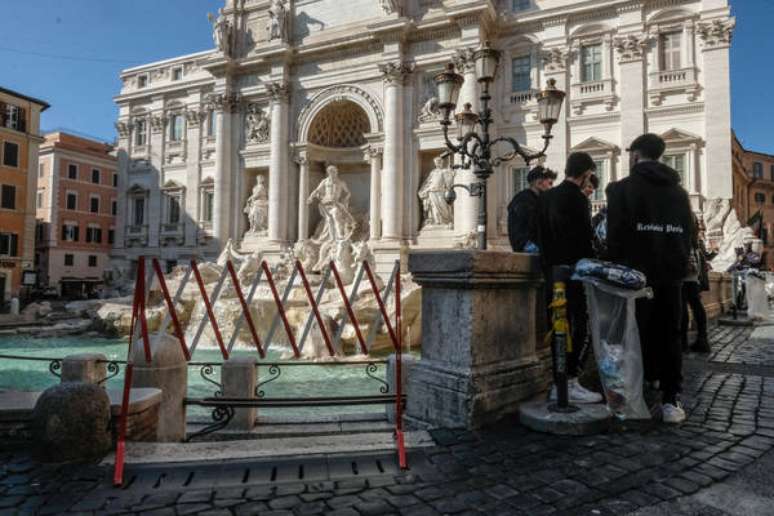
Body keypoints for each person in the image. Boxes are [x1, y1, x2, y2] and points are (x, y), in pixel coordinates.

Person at [606, 133, 694, 424]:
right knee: (670, 334)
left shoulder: (620, 189)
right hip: (671, 275)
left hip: (634, 275)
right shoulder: (680, 194)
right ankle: (670, 400)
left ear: (634, 156)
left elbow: (614, 237)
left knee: (632, 334)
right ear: (660, 155)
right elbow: (688, 234)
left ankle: (632, 397)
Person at [537, 152, 602, 404]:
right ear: (586, 173)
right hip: (573, 273)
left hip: (550, 272)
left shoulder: (546, 197)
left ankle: (558, 382)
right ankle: (571, 379)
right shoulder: (578, 199)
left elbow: (539, 233)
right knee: (579, 325)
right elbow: (584, 239)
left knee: (557, 327)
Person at [507, 166, 556, 253]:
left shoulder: (538, 199)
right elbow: (536, 224)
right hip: (527, 244)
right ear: (539, 183)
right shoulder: (523, 199)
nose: (551, 187)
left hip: (534, 243)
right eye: (550, 184)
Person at [682, 214, 709, 353]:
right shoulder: (693, 225)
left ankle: (683, 342)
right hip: (693, 273)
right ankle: (702, 339)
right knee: (696, 306)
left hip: (684, 271)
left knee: (683, 307)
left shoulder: (683, 220)